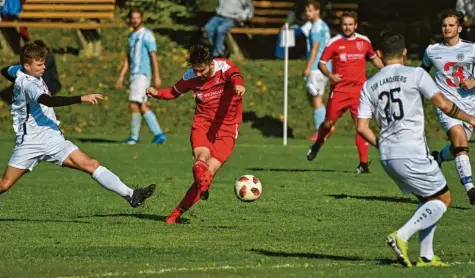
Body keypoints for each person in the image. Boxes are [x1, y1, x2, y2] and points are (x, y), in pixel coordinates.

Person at [357, 30, 475, 267]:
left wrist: (383, 145)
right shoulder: (416, 74)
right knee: (443, 199)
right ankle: (401, 236)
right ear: (404, 53)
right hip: (412, 151)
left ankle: (426, 256)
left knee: (427, 197)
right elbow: (443, 104)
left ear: (379, 54)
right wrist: (470, 118)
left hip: (387, 156)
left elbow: (362, 127)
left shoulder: (369, 85)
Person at [0, 41, 156, 208]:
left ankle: (131, 195)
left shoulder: (21, 72)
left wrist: (19, 72)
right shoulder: (28, 84)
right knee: (4, 185)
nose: (44, 67)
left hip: (52, 138)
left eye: (44, 63)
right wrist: (81, 98)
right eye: (39, 65)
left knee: (91, 164)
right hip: (30, 142)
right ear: (27, 65)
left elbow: (4, 70)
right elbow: (48, 101)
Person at [146, 44, 245, 224]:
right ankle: (177, 213)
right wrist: (157, 93)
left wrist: (238, 86)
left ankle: (176, 214)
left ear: (210, 63)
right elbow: (173, 92)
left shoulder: (225, 67)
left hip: (228, 127)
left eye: (202, 70)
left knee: (209, 171)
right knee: (202, 157)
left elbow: (236, 76)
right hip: (203, 124)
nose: (198, 74)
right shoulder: (190, 76)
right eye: (195, 70)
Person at [306, 11, 384, 173]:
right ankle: (318, 143)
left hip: (359, 92)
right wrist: (330, 75)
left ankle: (363, 164)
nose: (347, 27)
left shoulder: (364, 42)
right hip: (340, 91)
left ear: (356, 25)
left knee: (361, 127)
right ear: (341, 26)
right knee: (328, 123)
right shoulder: (334, 42)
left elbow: (373, 58)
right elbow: (321, 63)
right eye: (344, 24)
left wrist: (387, 70)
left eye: (350, 24)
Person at [421, 10, 475, 204]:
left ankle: (438, 159)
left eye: (451, 25)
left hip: (470, 106)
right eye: (444, 25)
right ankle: (470, 189)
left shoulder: (472, 49)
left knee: (457, 146)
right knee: (460, 139)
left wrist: (473, 82)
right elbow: (422, 73)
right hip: (446, 106)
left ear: (459, 28)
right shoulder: (432, 50)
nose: (447, 28)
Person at [116, 8, 166, 145]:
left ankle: (134, 138)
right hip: (134, 74)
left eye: (137, 17)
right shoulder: (131, 36)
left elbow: (153, 55)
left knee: (133, 103)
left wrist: (157, 76)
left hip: (142, 75)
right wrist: (121, 76)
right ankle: (159, 134)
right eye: (133, 18)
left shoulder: (147, 35)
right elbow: (128, 58)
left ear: (141, 18)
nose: (135, 20)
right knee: (142, 105)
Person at [303, 1, 331, 141]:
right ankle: (325, 127)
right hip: (324, 66)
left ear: (317, 11)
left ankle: (322, 131)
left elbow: (315, 48)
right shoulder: (323, 26)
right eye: (307, 10)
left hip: (317, 68)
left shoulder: (316, 28)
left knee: (316, 99)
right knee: (312, 97)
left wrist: (308, 66)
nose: (308, 13)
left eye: (310, 10)